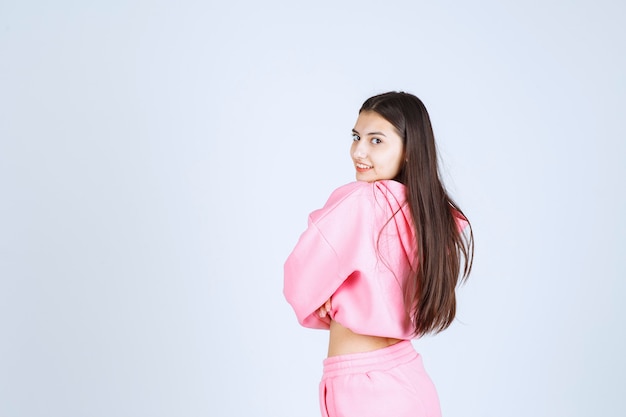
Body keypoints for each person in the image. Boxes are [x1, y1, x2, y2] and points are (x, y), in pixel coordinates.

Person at [283, 91, 474, 417]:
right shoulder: (431, 217)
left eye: (376, 141)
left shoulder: (363, 202)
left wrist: (327, 305)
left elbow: (298, 281)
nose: (359, 150)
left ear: (409, 151)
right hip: (408, 380)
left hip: (363, 389)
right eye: (356, 137)